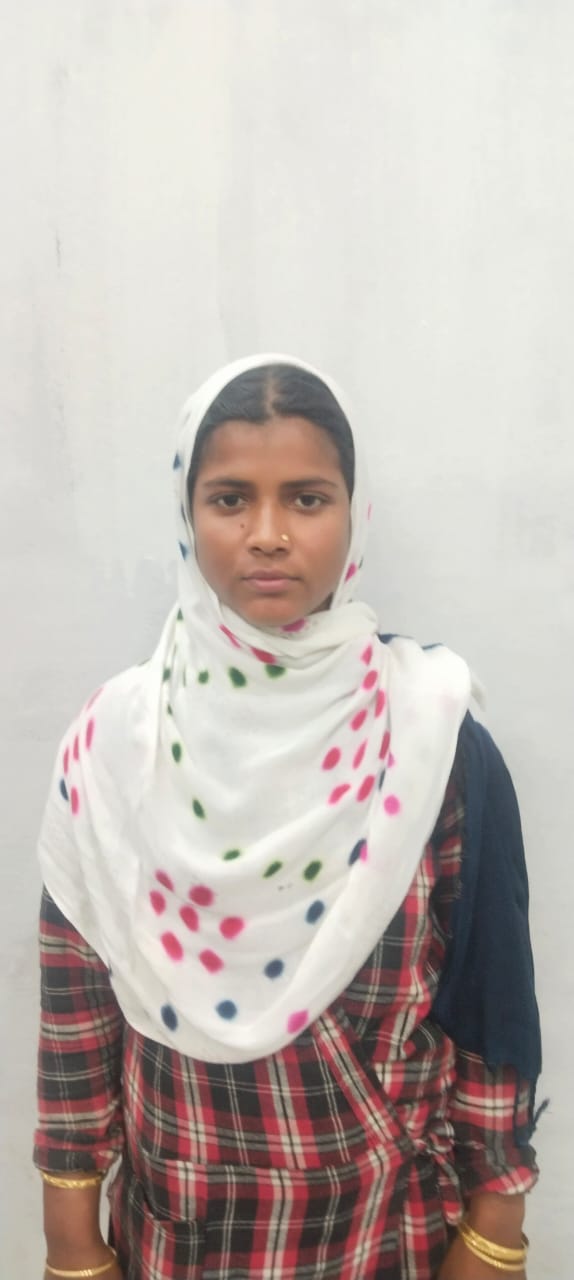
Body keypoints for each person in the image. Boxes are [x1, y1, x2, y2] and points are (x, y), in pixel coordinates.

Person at [34, 354, 541, 1280]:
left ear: (354, 512)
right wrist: (71, 1239)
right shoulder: (119, 745)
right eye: (230, 499)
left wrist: (495, 1232)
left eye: (307, 499)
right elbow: (76, 1010)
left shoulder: (429, 738)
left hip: (384, 1232)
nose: (267, 535)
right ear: (186, 515)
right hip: (177, 1230)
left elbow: (490, 1004)